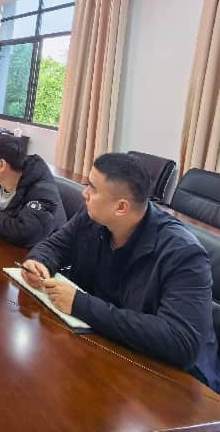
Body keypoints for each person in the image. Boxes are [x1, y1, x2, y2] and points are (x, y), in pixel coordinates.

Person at [21, 153, 220, 391]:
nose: (84, 193)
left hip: (172, 382)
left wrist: (80, 304)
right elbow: (56, 245)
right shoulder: (92, 217)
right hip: (107, 347)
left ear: (121, 207)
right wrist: (40, 262)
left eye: (93, 188)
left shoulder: (183, 253)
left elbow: (181, 341)